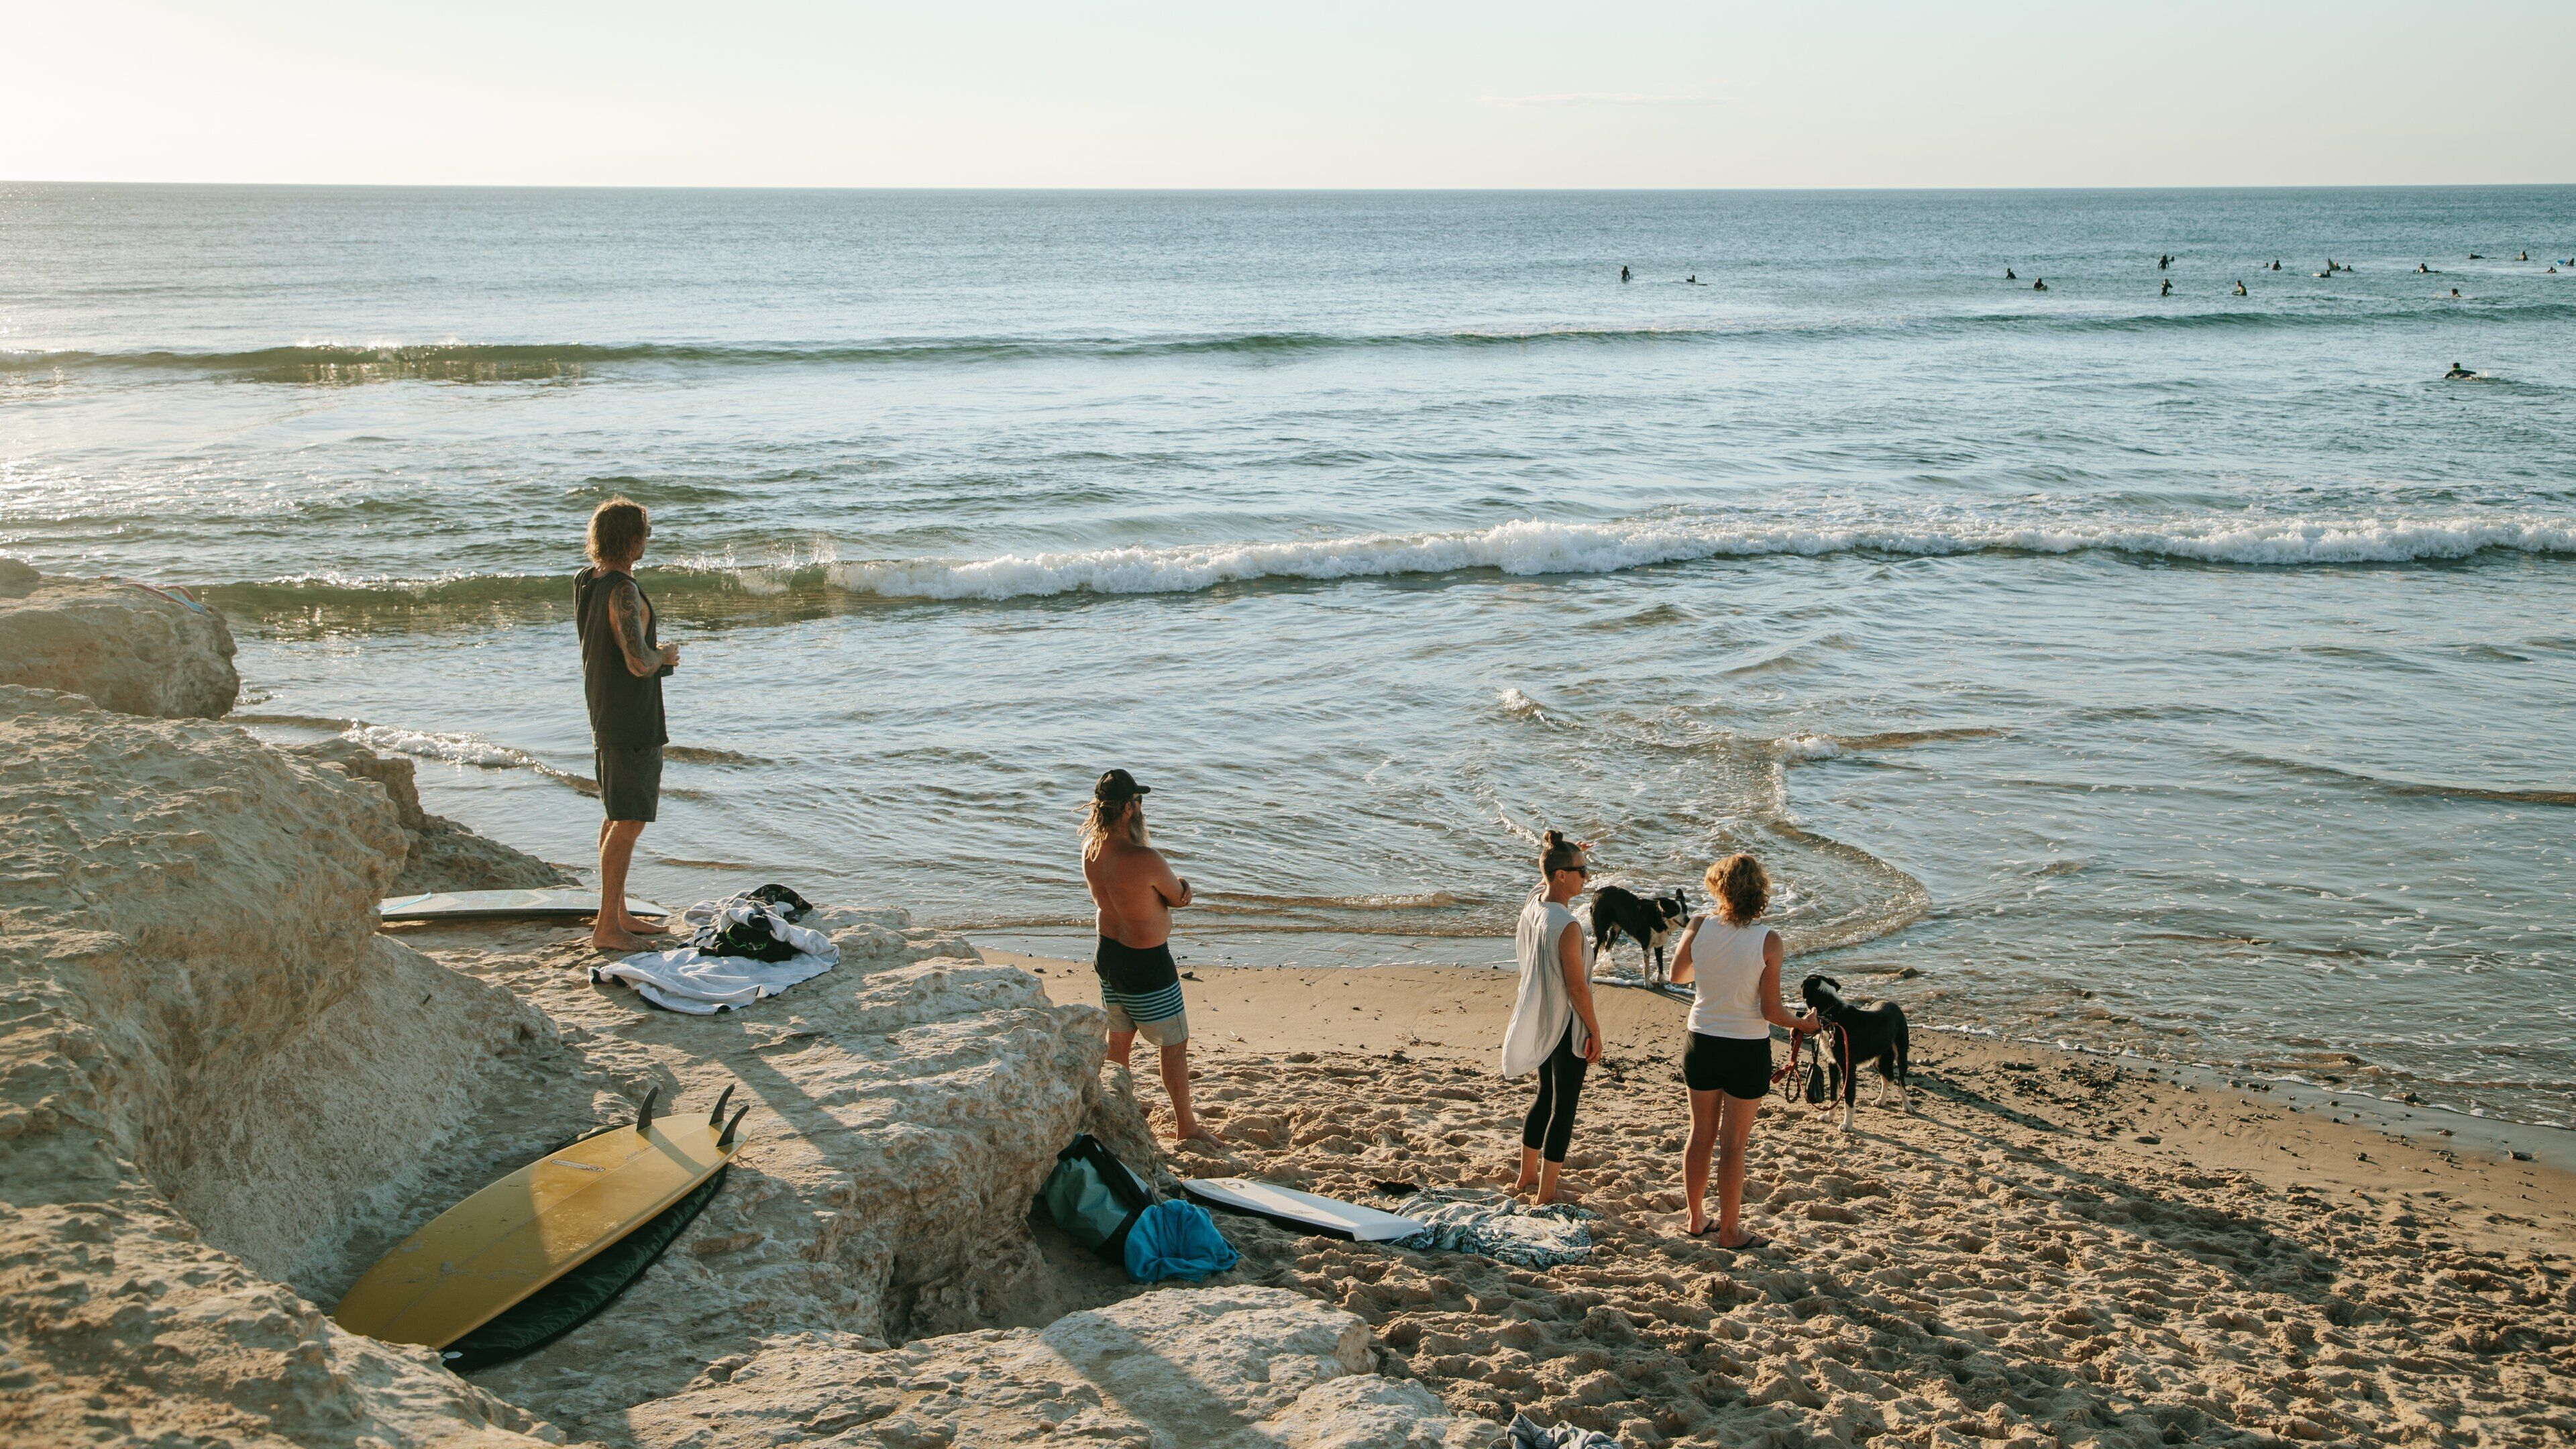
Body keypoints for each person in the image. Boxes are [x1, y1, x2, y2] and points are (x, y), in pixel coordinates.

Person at [1667, 853, 1820, 1248]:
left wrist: (1714, 966)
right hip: (1745, 1047)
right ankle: (1731, 1232)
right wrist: (1803, 1024)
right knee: (1733, 1144)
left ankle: (1696, 1218)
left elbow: (1677, 975)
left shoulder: (1699, 925)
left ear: (1718, 886)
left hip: (1701, 1040)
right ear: (1759, 894)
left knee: (1700, 1134)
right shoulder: (1768, 940)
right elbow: (1770, 1011)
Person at [1081, 769, 1217, 1146]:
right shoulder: (1145, 857)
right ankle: (1186, 1126)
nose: (1141, 808)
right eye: (1138, 801)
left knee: (1119, 1040)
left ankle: (1120, 1108)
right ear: (1127, 808)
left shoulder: (1091, 849)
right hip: (1147, 964)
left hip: (1108, 956)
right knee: (1174, 1045)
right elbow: (1178, 897)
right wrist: (1185, 888)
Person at [574, 498, 679, 951]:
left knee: (617, 814)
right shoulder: (624, 591)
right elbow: (637, 662)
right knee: (630, 819)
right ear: (632, 540)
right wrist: (665, 657)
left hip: (603, 712)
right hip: (631, 718)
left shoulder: (587, 582)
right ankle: (607, 928)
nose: (647, 540)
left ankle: (616, 915)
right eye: (644, 533)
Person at [1500, 830, 1602, 1205]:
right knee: (1565, 1108)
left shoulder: (1535, 905)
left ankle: (1527, 1176)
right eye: (1581, 871)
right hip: (1566, 1024)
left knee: (1545, 1096)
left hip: (1541, 1017)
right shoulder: (1569, 927)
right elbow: (1578, 990)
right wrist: (1595, 1030)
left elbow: (1542, 878)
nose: (1587, 877)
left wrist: (1564, 853)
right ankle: (1546, 1192)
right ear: (1562, 876)